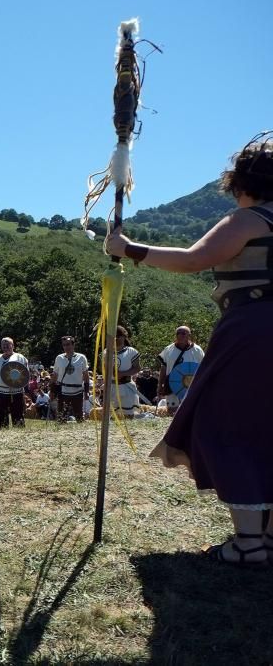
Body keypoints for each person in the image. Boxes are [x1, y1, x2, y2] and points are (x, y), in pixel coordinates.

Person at [104, 132, 273, 565]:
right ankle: (266, 537)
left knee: (230, 423)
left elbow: (193, 259)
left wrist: (129, 248)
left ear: (242, 183)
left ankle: (250, 544)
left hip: (252, 330)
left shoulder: (251, 220)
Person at [157, 326, 205, 415]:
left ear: (189, 335)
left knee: (189, 411)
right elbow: (163, 368)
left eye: (183, 333)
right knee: (172, 411)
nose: (180, 335)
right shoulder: (168, 349)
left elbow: (203, 368)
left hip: (190, 385)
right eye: (178, 333)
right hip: (172, 383)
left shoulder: (197, 350)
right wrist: (160, 384)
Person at [0, 337, 28, 428]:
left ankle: (19, 438)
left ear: (13, 345)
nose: (5, 347)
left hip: (16, 391)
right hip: (0, 392)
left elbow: (25, 376)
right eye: (3, 345)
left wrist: (26, 392)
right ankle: (2, 437)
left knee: (18, 418)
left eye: (8, 345)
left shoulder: (20, 358)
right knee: (0, 419)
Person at [103, 326, 141, 418]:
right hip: (111, 387)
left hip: (126, 386)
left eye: (118, 335)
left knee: (128, 415)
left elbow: (137, 368)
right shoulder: (107, 352)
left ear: (124, 336)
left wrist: (123, 373)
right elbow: (104, 369)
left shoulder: (132, 352)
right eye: (114, 336)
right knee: (112, 416)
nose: (116, 338)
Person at [50, 336, 90, 422]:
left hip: (77, 391)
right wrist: (52, 390)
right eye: (64, 345)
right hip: (63, 391)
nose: (66, 347)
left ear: (73, 345)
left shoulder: (81, 358)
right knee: (61, 418)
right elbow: (55, 375)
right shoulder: (59, 358)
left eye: (68, 344)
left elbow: (86, 376)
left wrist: (87, 391)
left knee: (79, 417)